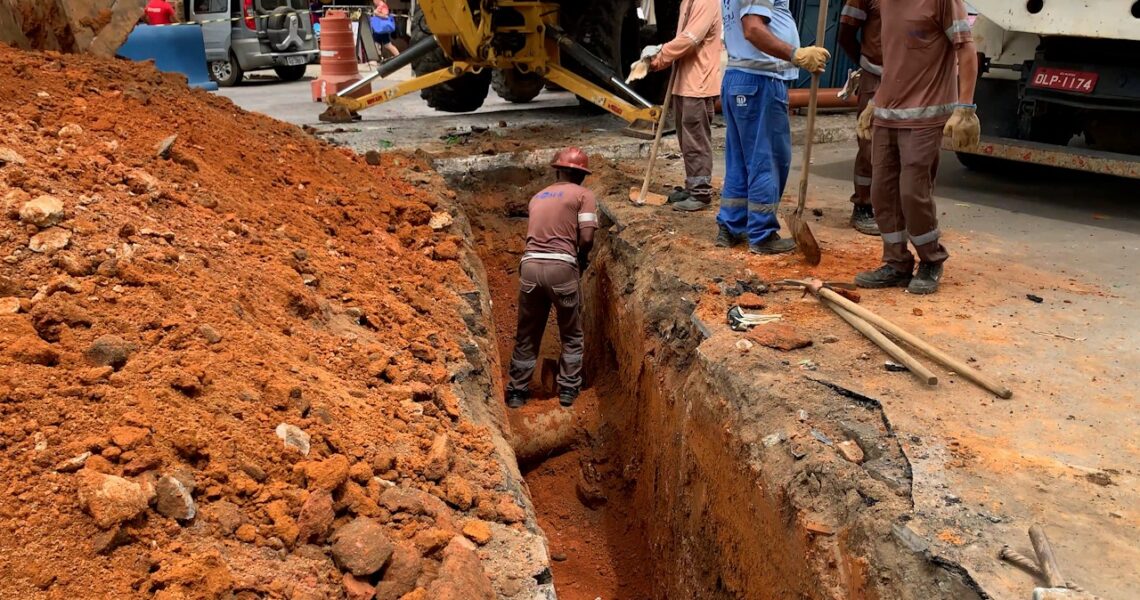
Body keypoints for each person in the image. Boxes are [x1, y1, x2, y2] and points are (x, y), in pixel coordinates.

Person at [854, 0, 979, 295]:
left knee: (912, 192)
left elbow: (966, 49)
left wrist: (965, 108)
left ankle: (931, 259)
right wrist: (875, 101)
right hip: (888, 112)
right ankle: (896, 262)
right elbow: (894, 58)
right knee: (881, 192)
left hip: (925, 113)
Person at [718, 0, 830, 254]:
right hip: (760, 81)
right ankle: (762, 234)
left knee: (740, 161)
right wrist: (796, 54)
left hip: (739, 78)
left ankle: (731, 226)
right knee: (766, 160)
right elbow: (753, 29)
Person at [505, 148, 598, 409]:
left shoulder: (537, 197)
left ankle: (516, 392)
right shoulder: (584, 195)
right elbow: (587, 237)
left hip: (530, 267)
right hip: (562, 269)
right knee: (571, 333)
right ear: (581, 175)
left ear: (558, 170)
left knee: (527, 334)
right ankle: (568, 389)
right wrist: (581, 258)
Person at [644, 0, 723, 213]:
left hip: (699, 84)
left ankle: (701, 192)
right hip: (684, 82)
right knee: (686, 141)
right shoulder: (687, 2)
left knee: (696, 141)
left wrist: (660, 56)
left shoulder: (706, 1)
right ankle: (692, 186)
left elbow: (690, 39)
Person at [837, 0, 881, 236]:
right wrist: (867, 65)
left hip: (909, 81)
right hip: (875, 76)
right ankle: (863, 206)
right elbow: (845, 34)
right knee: (870, 145)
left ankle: (893, 208)